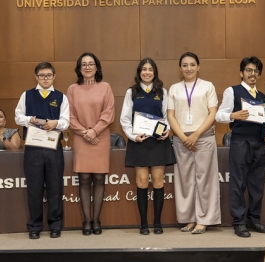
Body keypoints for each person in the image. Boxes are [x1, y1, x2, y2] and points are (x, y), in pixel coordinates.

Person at [215, 56, 265, 238]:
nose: (253, 74)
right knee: (238, 183)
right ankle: (239, 222)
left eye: (256, 71)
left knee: (257, 184)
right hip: (240, 142)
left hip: (259, 143)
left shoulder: (262, 96)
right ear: (241, 73)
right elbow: (219, 115)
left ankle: (253, 219)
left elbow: (264, 121)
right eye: (249, 70)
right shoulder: (232, 91)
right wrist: (234, 115)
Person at [120, 58, 176, 235]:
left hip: (158, 142)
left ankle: (157, 223)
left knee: (158, 182)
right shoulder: (132, 92)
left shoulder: (162, 91)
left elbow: (167, 117)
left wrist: (166, 130)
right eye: (144, 69)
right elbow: (125, 119)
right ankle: (144, 224)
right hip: (140, 142)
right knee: (142, 182)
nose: (147, 72)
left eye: (150, 69)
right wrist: (133, 136)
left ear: (155, 72)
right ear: (139, 72)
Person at [15, 62, 70, 239]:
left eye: (48, 75)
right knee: (34, 188)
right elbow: (17, 116)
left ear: (54, 76)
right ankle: (34, 226)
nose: (45, 78)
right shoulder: (27, 95)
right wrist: (28, 119)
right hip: (33, 148)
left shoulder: (61, 97)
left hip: (54, 148)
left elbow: (66, 121)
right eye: (41, 75)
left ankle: (55, 224)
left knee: (55, 187)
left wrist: (56, 124)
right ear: (36, 76)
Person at [167, 52, 221, 234]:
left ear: (198, 66)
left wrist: (196, 134)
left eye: (192, 64)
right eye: (184, 65)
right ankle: (189, 218)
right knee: (185, 180)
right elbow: (170, 116)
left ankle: (204, 219)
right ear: (180, 68)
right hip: (181, 139)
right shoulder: (174, 88)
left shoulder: (208, 86)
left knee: (205, 179)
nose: (188, 68)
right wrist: (183, 137)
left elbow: (212, 113)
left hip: (203, 138)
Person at [67, 52, 115, 236]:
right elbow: (69, 115)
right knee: (84, 179)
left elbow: (109, 113)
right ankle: (86, 220)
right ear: (79, 68)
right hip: (81, 137)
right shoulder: (72, 89)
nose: (87, 67)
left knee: (99, 179)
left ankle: (97, 219)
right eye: (84, 64)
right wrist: (85, 132)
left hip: (100, 137)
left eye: (91, 63)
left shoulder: (105, 87)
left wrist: (95, 130)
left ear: (97, 67)